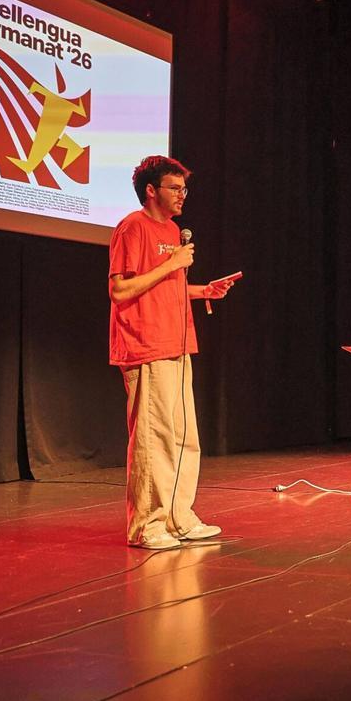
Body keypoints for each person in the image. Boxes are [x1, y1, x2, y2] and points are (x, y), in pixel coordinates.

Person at [109, 155, 236, 550]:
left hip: (177, 343)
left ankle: (179, 516)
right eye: (175, 188)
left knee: (183, 437)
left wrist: (203, 291)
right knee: (154, 439)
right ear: (151, 190)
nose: (183, 195)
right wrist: (173, 263)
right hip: (145, 344)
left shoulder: (172, 230)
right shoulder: (133, 226)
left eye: (185, 188)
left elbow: (165, 287)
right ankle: (147, 525)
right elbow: (119, 290)